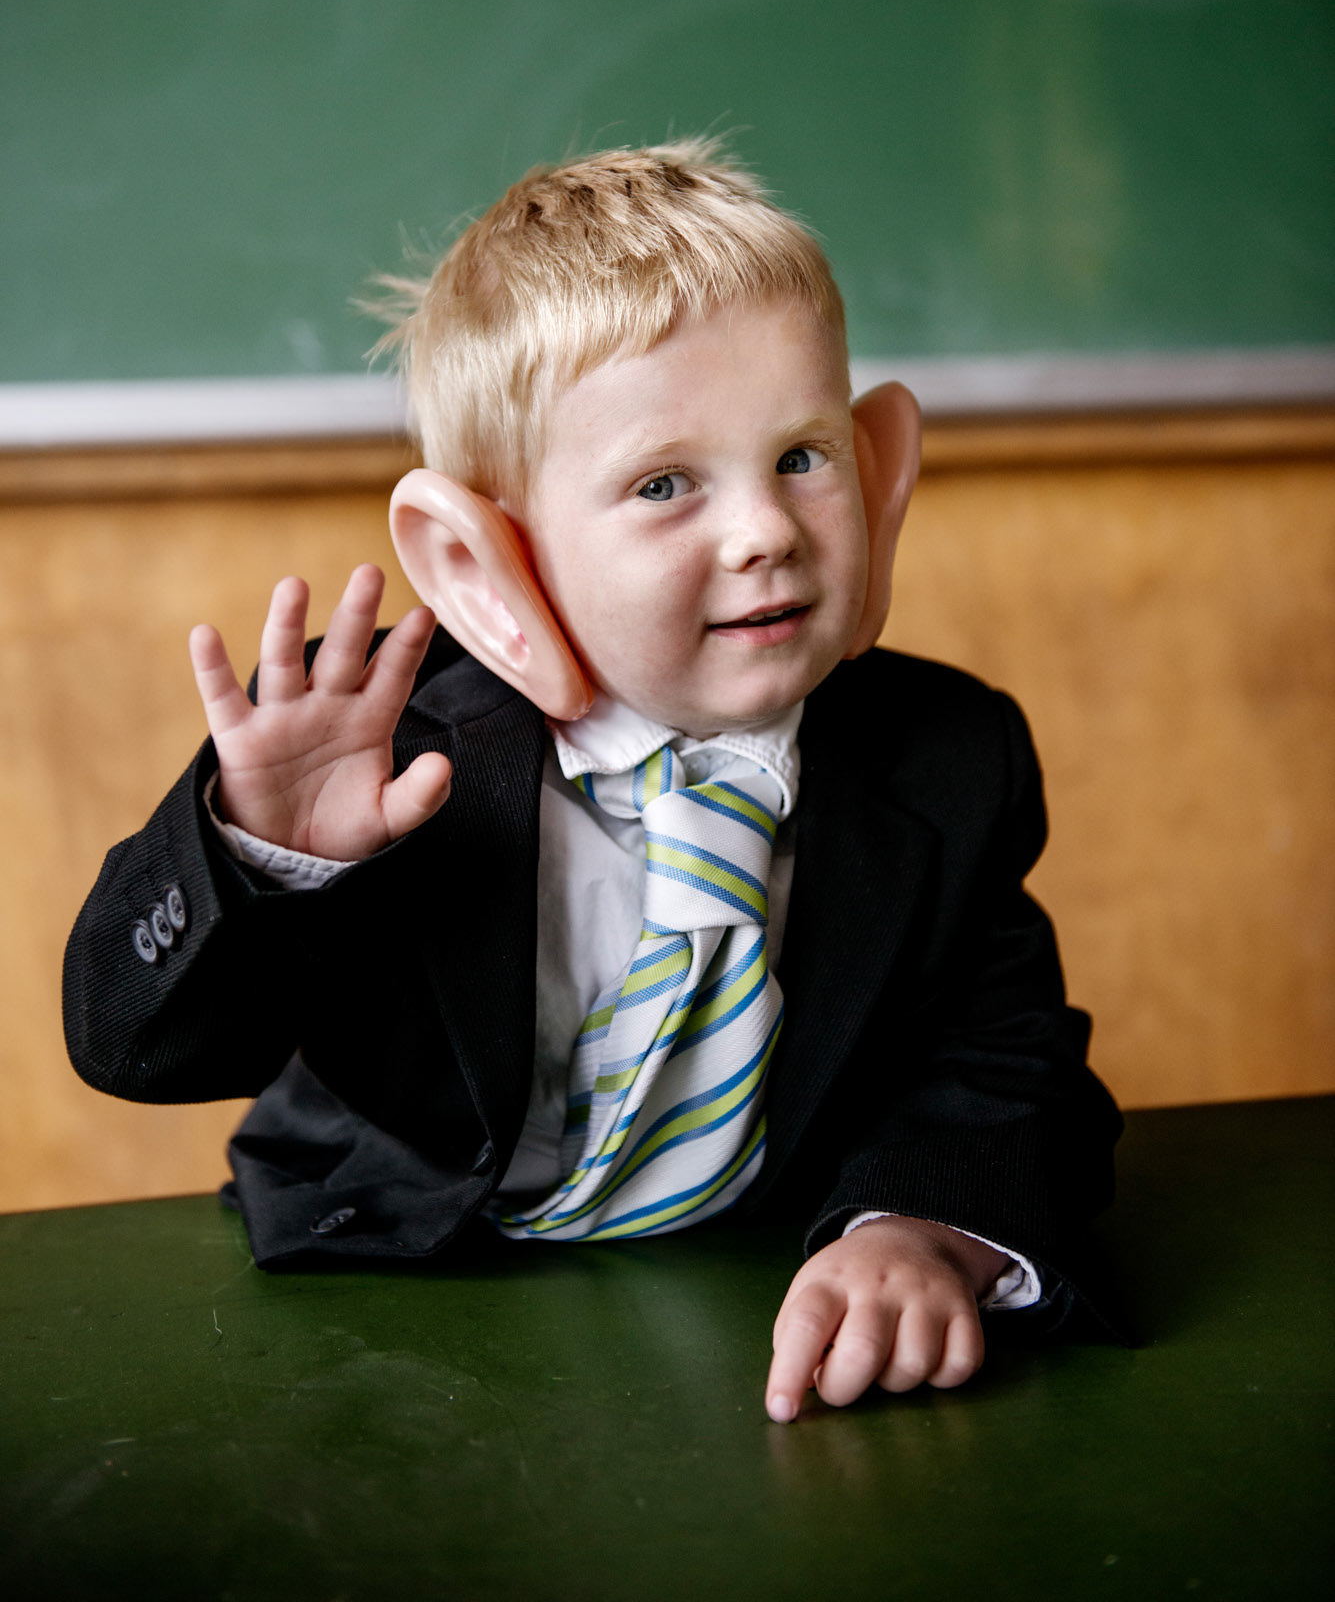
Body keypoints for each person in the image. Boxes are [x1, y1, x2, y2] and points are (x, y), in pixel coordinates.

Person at [64, 140, 1121, 1425]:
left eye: (801, 455)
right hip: (406, 1311)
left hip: (761, 1287)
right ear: (491, 565)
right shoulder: (384, 764)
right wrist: (267, 859)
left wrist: (922, 1228)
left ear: (877, 468)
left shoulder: (950, 757)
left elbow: (999, 1053)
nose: (765, 531)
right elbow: (134, 1043)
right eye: (665, 484)